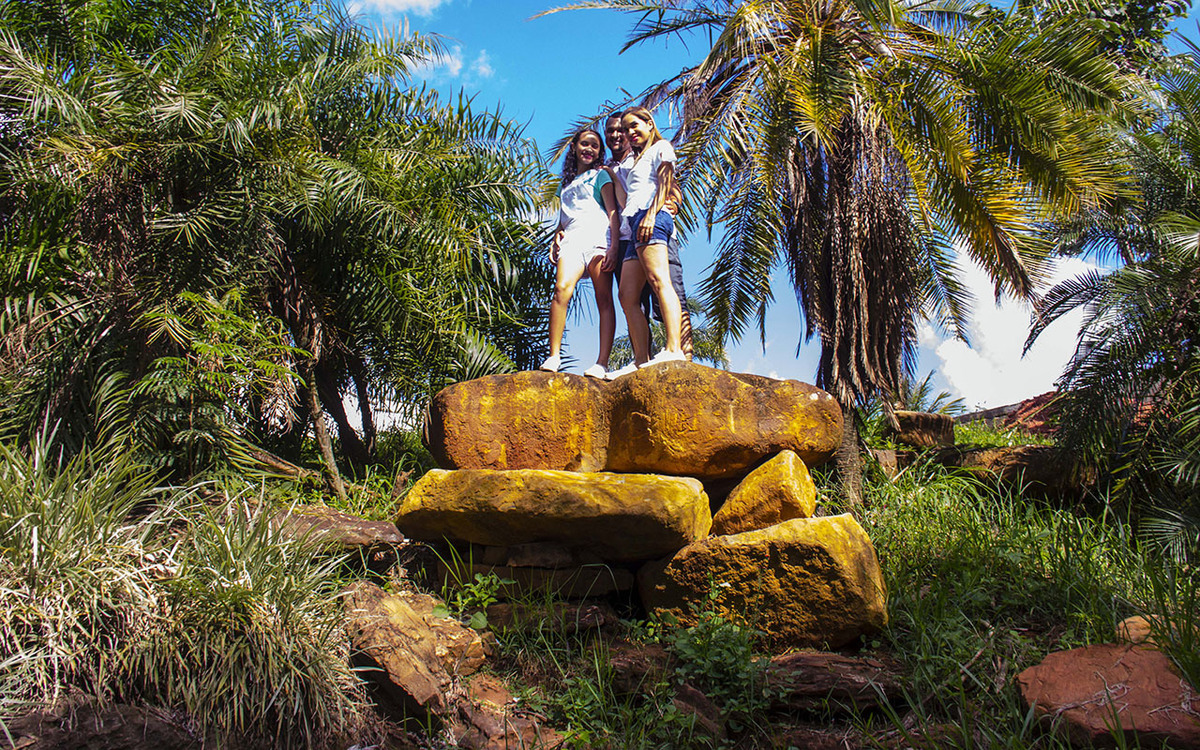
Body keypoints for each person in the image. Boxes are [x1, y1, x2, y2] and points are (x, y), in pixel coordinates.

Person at [604, 112, 693, 379]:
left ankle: (674, 348)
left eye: (634, 126)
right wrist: (611, 177)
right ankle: (640, 359)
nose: (630, 132)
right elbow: (626, 200)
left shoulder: (661, 147)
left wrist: (653, 214)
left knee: (659, 280)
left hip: (651, 218)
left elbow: (666, 183)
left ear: (649, 124)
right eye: (625, 129)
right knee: (627, 295)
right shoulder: (636, 161)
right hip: (634, 224)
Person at [539, 128, 621, 379]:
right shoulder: (565, 184)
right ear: (574, 147)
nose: (589, 149)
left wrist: (614, 247)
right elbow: (564, 218)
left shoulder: (600, 175)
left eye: (595, 146)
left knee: (603, 298)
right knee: (561, 290)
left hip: (598, 237)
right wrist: (556, 236)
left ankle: (602, 363)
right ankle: (554, 356)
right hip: (572, 240)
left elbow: (612, 212)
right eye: (585, 144)